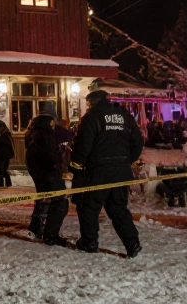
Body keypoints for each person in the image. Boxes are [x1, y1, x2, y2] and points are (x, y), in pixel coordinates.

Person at [70, 89, 144, 258]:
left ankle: (89, 242)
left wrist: (76, 165)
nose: (88, 106)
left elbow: (83, 145)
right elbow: (138, 140)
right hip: (121, 170)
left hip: (98, 170)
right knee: (118, 208)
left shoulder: (91, 117)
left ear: (93, 102)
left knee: (89, 206)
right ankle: (132, 243)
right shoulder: (124, 115)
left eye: (89, 103)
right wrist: (127, 160)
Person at [25, 109, 69, 246]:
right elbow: (51, 155)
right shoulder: (45, 134)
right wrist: (60, 156)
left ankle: (35, 229)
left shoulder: (32, 133)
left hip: (39, 173)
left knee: (44, 200)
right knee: (60, 202)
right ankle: (51, 235)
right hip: (49, 173)